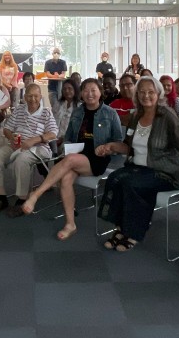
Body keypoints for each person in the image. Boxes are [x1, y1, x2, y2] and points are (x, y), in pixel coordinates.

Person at [95, 77, 179, 251]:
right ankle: (121, 227)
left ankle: (132, 232)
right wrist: (111, 146)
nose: (146, 95)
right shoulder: (135, 117)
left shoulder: (167, 116)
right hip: (138, 168)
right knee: (115, 178)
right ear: (137, 94)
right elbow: (128, 147)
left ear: (158, 94)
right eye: (142, 92)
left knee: (132, 184)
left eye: (151, 92)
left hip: (164, 172)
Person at [22, 78, 124, 239]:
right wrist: (68, 146)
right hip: (78, 154)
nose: (89, 94)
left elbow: (119, 141)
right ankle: (70, 224)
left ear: (100, 92)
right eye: (85, 90)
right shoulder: (78, 112)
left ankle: (36, 194)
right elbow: (69, 136)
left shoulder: (109, 113)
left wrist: (107, 148)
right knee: (66, 178)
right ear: (81, 93)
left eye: (93, 90)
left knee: (69, 161)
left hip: (98, 158)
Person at [0, 83, 58, 218]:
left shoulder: (46, 112)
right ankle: (1, 197)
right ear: (24, 97)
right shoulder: (19, 110)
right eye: (29, 96)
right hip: (16, 145)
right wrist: (10, 136)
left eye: (36, 96)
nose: (33, 99)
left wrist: (34, 140)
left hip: (38, 148)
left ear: (40, 97)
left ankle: (22, 199)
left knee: (21, 160)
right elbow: (6, 128)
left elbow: (53, 133)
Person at [44, 47, 68, 111]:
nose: (56, 54)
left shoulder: (63, 62)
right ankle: (53, 120)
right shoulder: (47, 63)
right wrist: (54, 76)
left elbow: (63, 74)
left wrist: (58, 76)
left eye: (58, 53)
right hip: (52, 88)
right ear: (52, 54)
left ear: (60, 54)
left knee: (61, 107)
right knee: (54, 107)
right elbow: (47, 74)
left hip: (61, 88)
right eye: (55, 52)